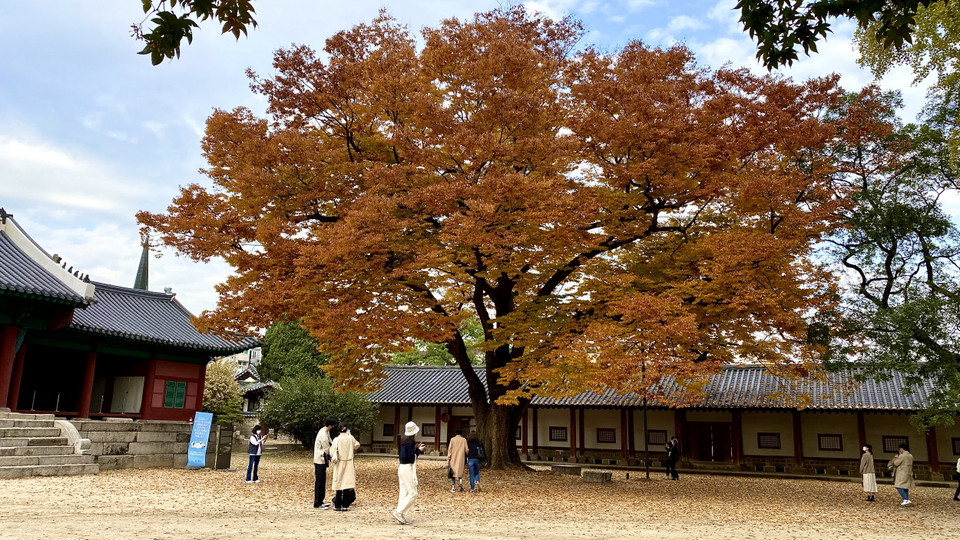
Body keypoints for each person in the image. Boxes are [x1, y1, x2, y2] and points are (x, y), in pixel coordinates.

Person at [392, 421, 426, 525]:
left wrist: (416, 449)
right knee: (413, 493)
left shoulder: (403, 441)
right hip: (407, 468)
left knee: (404, 492)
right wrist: (419, 451)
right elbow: (411, 458)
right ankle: (399, 512)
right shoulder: (410, 442)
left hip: (401, 467)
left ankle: (400, 515)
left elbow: (406, 455)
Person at [330, 423, 361, 511]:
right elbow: (357, 445)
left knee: (339, 483)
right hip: (349, 461)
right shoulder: (350, 438)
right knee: (347, 483)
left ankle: (337, 504)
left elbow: (332, 452)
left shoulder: (336, 439)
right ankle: (345, 504)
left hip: (340, 462)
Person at [313, 416, 338, 509]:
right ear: (330, 425)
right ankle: (317, 503)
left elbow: (330, 442)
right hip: (319, 459)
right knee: (319, 481)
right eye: (333, 425)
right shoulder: (323, 434)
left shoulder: (326, 432)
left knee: (322, 480)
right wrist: (333, 454)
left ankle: (321, 501)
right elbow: (327, 448)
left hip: (323, 459)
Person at [447, 428, 468, 493]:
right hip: (461, 458)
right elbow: (466, 449)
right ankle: (460, 483)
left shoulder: (452, 439)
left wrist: (448, 458)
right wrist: (467, 454)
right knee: (460, 471)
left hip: (453, 457)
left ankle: (453, 487)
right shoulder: (464, 440)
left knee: (453, 473)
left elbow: (450, 449)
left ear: (455, 433)